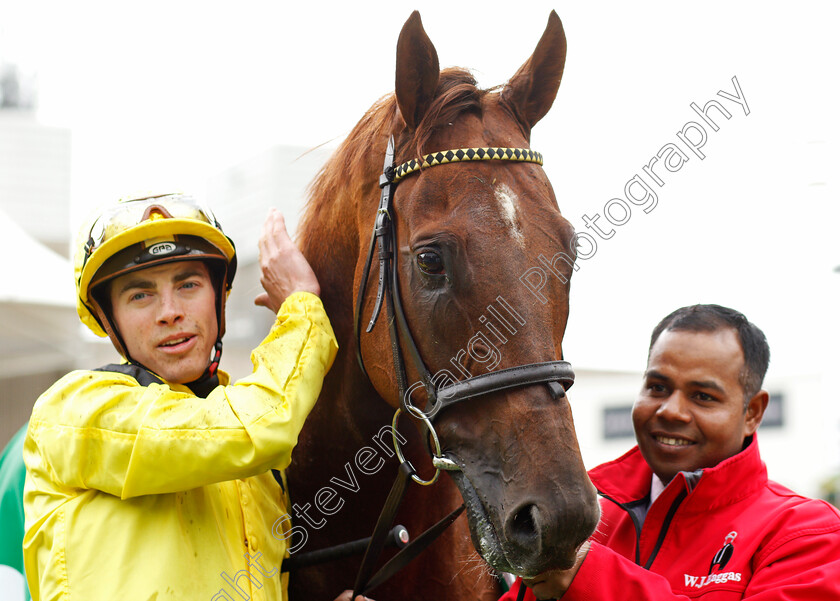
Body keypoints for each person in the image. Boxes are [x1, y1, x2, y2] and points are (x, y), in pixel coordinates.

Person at [22, 193, 339, 600]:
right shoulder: (74, 408)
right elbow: (256, 427)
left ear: (218, 298)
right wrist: (303, 310)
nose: (169, 311)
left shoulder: (259, 469)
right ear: (107, 319)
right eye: (140, 295)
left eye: (188, 285)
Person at [502, 304, 840, 600]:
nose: (670, 411)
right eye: (657, 387)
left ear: (752, 412)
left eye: (703, 396)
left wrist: (587, 578)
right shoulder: (589, 522)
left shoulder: (806, 534)